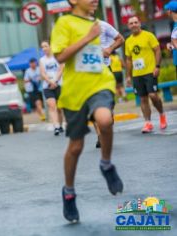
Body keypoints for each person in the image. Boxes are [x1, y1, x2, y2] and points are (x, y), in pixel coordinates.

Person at [51, 0, 123, 222]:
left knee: (105, 119)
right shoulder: (64, 23)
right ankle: (69, 192)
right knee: (76, 147)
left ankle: (106, 164)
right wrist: (88, 38)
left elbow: (119, 38)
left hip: (100, 83)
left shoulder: (99, 23)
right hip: (75, 92)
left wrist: (108, 48)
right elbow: (60, 56)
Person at [125, 16, 167, 133]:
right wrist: (128, 76)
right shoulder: (128, 41)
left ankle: (162, 114)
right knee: (143, 98)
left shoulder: (148, 35)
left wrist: (157, 66)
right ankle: (148, 123)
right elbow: (128, 59)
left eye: (135, 22)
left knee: (153, 95)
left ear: (139, 23)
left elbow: (157, 50)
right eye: (131, 23)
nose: (133, 25)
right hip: (137, 74)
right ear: (128, 26)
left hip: (150, 71)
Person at [95, 19, 125, 148]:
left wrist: (109, 49)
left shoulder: (103, 25)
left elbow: (120, 39)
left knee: (107, 105)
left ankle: (108, 118)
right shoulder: (75, 26)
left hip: (105, 70)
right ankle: (100, 136)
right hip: (88, 72)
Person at [39, 41, 65, 135]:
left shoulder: (57, 57)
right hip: (47, 86)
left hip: (58, 84)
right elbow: (42, 73)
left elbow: (61, 69)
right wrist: (50, 82)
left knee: (59, 107)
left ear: (50, 46)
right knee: (51, 105)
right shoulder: (42, 60)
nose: (44, 48)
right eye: (42, 47)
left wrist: (55, 81)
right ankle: (56, 127)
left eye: (46, 46)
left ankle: (61, 125)